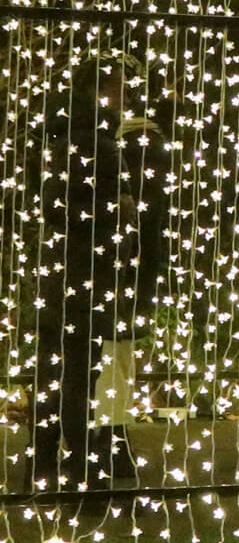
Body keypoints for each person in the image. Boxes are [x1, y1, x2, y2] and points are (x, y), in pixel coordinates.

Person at [28, 53, 176, 492]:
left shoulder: (73, 134)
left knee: (59, 374)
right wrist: (123, 212)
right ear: (103, 90)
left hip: (69, 274)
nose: (126, 97)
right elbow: (75, 207)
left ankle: (45, 466)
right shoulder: (93, 139)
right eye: (120, 88)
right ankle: (81, 473)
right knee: (77, 376)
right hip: (88, 276)